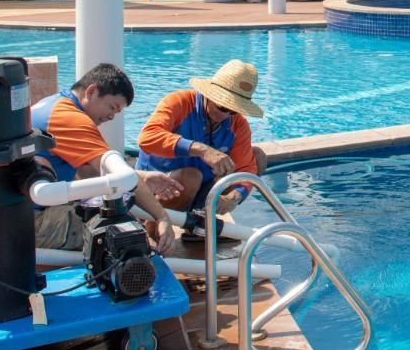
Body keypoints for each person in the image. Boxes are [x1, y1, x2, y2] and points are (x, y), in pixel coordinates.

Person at [31, 64, 179, 254]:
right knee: (122, 235)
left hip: (15, 213)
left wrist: (141, 177)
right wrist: (162, 217)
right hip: (32, 223)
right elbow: (116, 175)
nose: (111, 116)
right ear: (92, 91)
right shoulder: (71, 119)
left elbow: (88, 172)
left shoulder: (54, 104)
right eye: (112, 107)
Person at [135, 60, 266, 229]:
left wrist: (233, 198)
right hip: (153, 189)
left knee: (257, 158)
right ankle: (152, 230)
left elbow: (246, 169)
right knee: (191, 176)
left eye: (233, 110)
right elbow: (146, 138)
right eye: (221, 106)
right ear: (208, 94)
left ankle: (197, 225)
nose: (225, 115)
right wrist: (200, 150)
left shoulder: (238, 124)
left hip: (201, 188)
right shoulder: (179, 102)